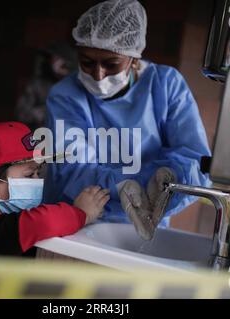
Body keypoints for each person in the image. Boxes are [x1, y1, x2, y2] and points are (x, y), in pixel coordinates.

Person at [44, 0, 211, 230]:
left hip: (144, 229)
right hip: (77, 221)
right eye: (87, 63)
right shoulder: (65, 96)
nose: (98, 75)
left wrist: (153, 186)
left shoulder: (165, 86)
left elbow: (194, 166)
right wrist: (147, 187)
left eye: (111, 64)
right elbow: (74, 173)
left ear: (134, 59)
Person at [0, 121, 109, 256]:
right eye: (29, 175)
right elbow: (46, 221)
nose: (38, 181)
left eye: (38, 172)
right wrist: (82, 213)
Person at [14, 42, 77, 131]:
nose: (53, 63)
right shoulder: (37, 84)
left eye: (57, 59)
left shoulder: (76, 84)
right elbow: (21, 113)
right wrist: (46, 112)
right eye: (52, 59)